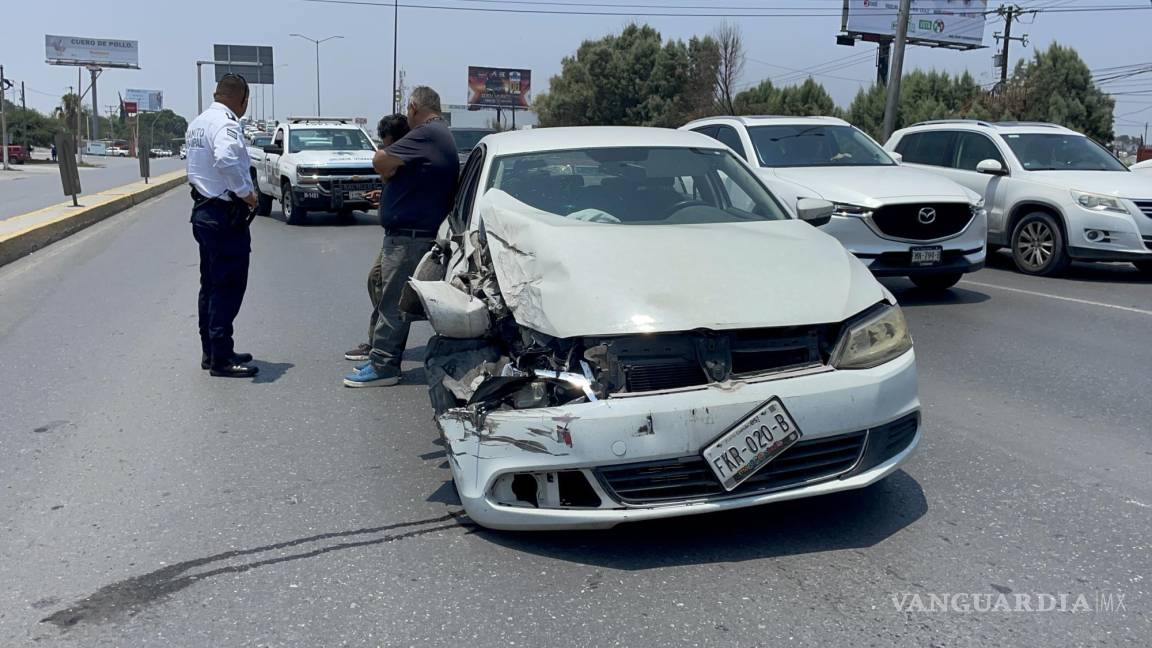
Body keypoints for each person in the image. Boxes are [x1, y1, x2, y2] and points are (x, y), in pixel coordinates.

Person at [343, 87, 458, 387]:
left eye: (408, 112)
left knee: (393, 301)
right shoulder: (437, 134)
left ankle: (384, 366)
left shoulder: (426, 133)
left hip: (409, 238)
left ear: (414, 107)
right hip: (406, 234)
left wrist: (388, 173)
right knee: (381, 287)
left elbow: (380, 161)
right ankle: (378, 353)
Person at [185, 74, 260, 378]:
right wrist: (248, 194)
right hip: (223, 215)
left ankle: (213, 350)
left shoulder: (198, 123)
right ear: (241, 99)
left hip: (204, 212)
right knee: (228, 287)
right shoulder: (227, 124)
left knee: (211, 285)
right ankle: (222, 360)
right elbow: (227, 159)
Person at [344, 113, 410, 363]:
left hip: (405, 237)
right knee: (377, 282)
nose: (384, 149)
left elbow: (386, 171)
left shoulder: (406, 157)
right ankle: (379, 342)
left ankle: (382, 348)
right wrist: (382, 195)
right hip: (394, 234)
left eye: (387, 143)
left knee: (386, 289)